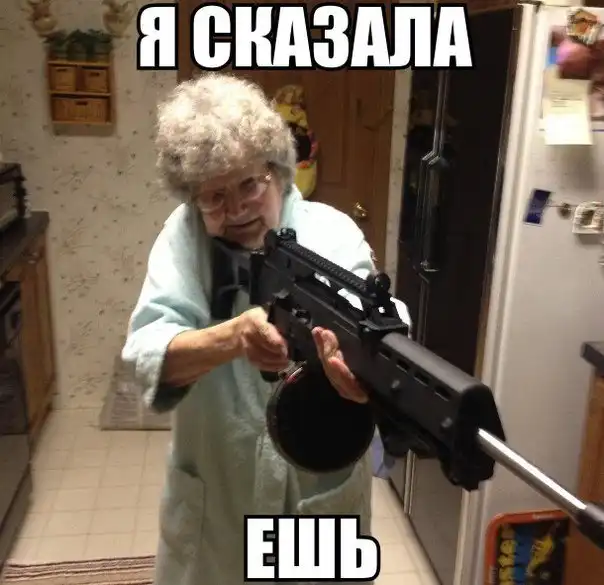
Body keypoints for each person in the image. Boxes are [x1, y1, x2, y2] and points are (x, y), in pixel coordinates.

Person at [122, 73, 410, 585]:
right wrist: (231, 338)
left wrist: (358, 376)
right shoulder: (184, 236)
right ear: (191, 198)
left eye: (249, 184)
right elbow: (147, 352)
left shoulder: (332, 232)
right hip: (218, 503)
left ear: (278, 171)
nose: (235, 210)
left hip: (315, 498)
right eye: (213, 196)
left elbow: (384, 328)